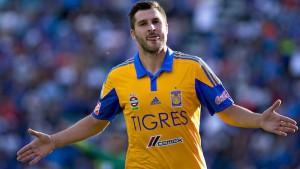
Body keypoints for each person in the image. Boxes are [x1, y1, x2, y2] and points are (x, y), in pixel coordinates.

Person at [17, 1, 298, 169]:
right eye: (143, 24)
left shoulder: (194, 67)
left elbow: (226, 110)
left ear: (166, 27)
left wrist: (258, 120)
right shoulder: (118, 76)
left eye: (156, 21)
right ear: (132, 32)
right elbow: (96, 121)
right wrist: (54, 140)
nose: (151, 28)